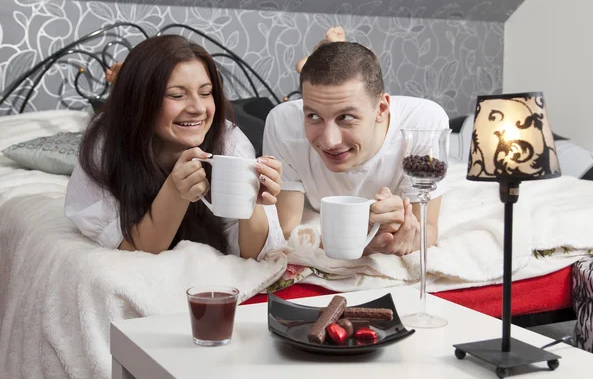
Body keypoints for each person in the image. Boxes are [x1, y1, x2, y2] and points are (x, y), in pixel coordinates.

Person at [65, 35, 285, 259]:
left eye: (206, 92)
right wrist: (176, 189)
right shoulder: (106, 144)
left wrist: (252, 202)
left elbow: (253, 256)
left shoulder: (229, 141)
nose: (198, 108)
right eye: (177, 95)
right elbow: (136, 252)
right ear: (140, 101)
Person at [263, 41, 449, 257]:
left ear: (381, 108)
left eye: (346, 118)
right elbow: (286, 231)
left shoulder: (423, 124)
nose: (329, 141)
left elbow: (428, 228)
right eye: (313, 116)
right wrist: (363, 246)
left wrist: (404, 233)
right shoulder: (284, 123)